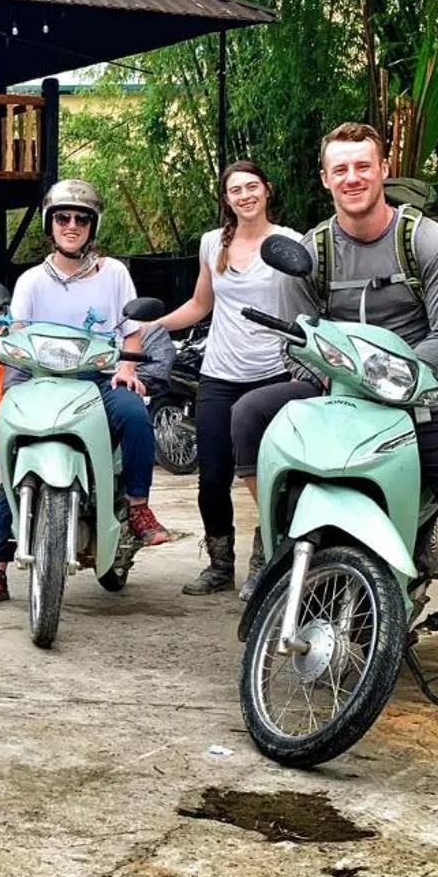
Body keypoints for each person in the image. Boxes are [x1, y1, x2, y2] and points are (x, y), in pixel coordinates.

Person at [228, 123, 438, 733]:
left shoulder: (428, 243)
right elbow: (298, 337)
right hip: (338, 389)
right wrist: (332, 371)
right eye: (340, 169)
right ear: (325, 179)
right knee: (248, 415)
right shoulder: (312, 250)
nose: (352, 178)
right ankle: (273, 549)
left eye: (363, 167)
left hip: (421, 397)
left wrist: (395, 376)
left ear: (383, 170)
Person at [0, 179, 164, 607]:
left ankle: (137, 504)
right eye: (63, 217)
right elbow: (15, 331)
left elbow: (131, 332)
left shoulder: (113, 274)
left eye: (80, 218)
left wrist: (127, 368)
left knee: (133, 412)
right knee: (14, 454)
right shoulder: (32, 281)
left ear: (92, 226)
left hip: (96, 379)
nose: (71, 225)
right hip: (37, 379)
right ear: (49, 224)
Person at [138, 161, 300, 595]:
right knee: (212, 478)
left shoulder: (292, 244)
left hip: (274, 375)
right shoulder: (213, 243)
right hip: (220, 374)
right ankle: (219, 564)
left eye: (252, 187)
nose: (245, 195)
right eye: (235, 190)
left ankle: (266, 563)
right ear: (226, 199)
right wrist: (151, 327)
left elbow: (308, 309)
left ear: (266, 190)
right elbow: (199, 304)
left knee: (273, 475)